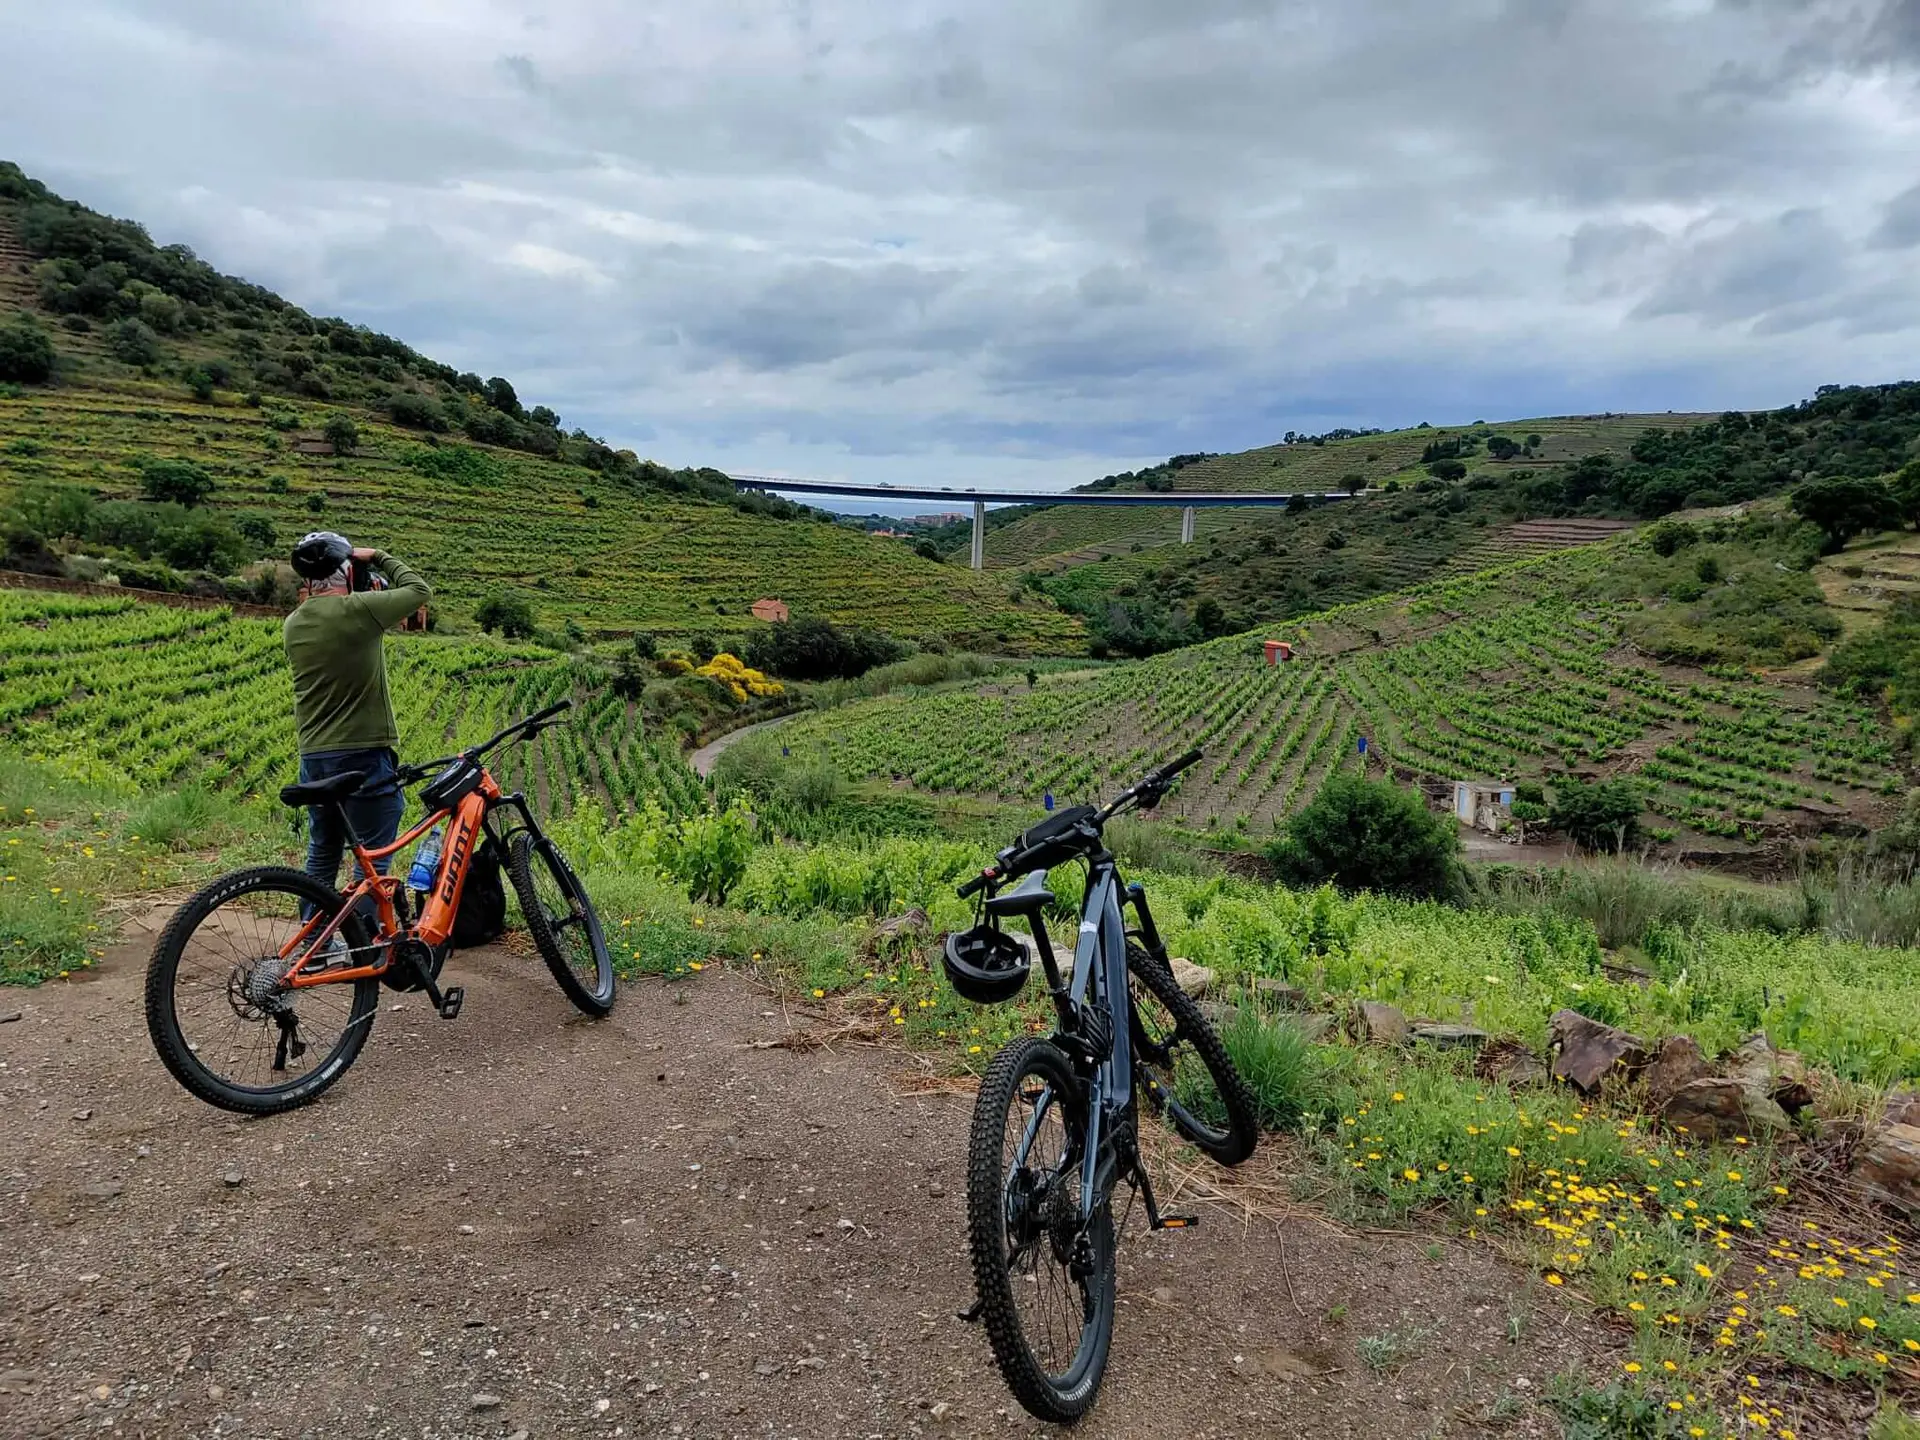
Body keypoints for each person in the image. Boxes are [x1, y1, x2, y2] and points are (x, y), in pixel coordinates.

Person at [283, 532, 431, 952]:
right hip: (363, 754)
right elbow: (419, 591)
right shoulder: (359, 610)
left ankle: (313, 944)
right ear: (346, 571)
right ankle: (360, 943)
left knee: (322, 852)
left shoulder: (294, 623)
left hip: (314, 756)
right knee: (373, 858)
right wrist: (378, 555)